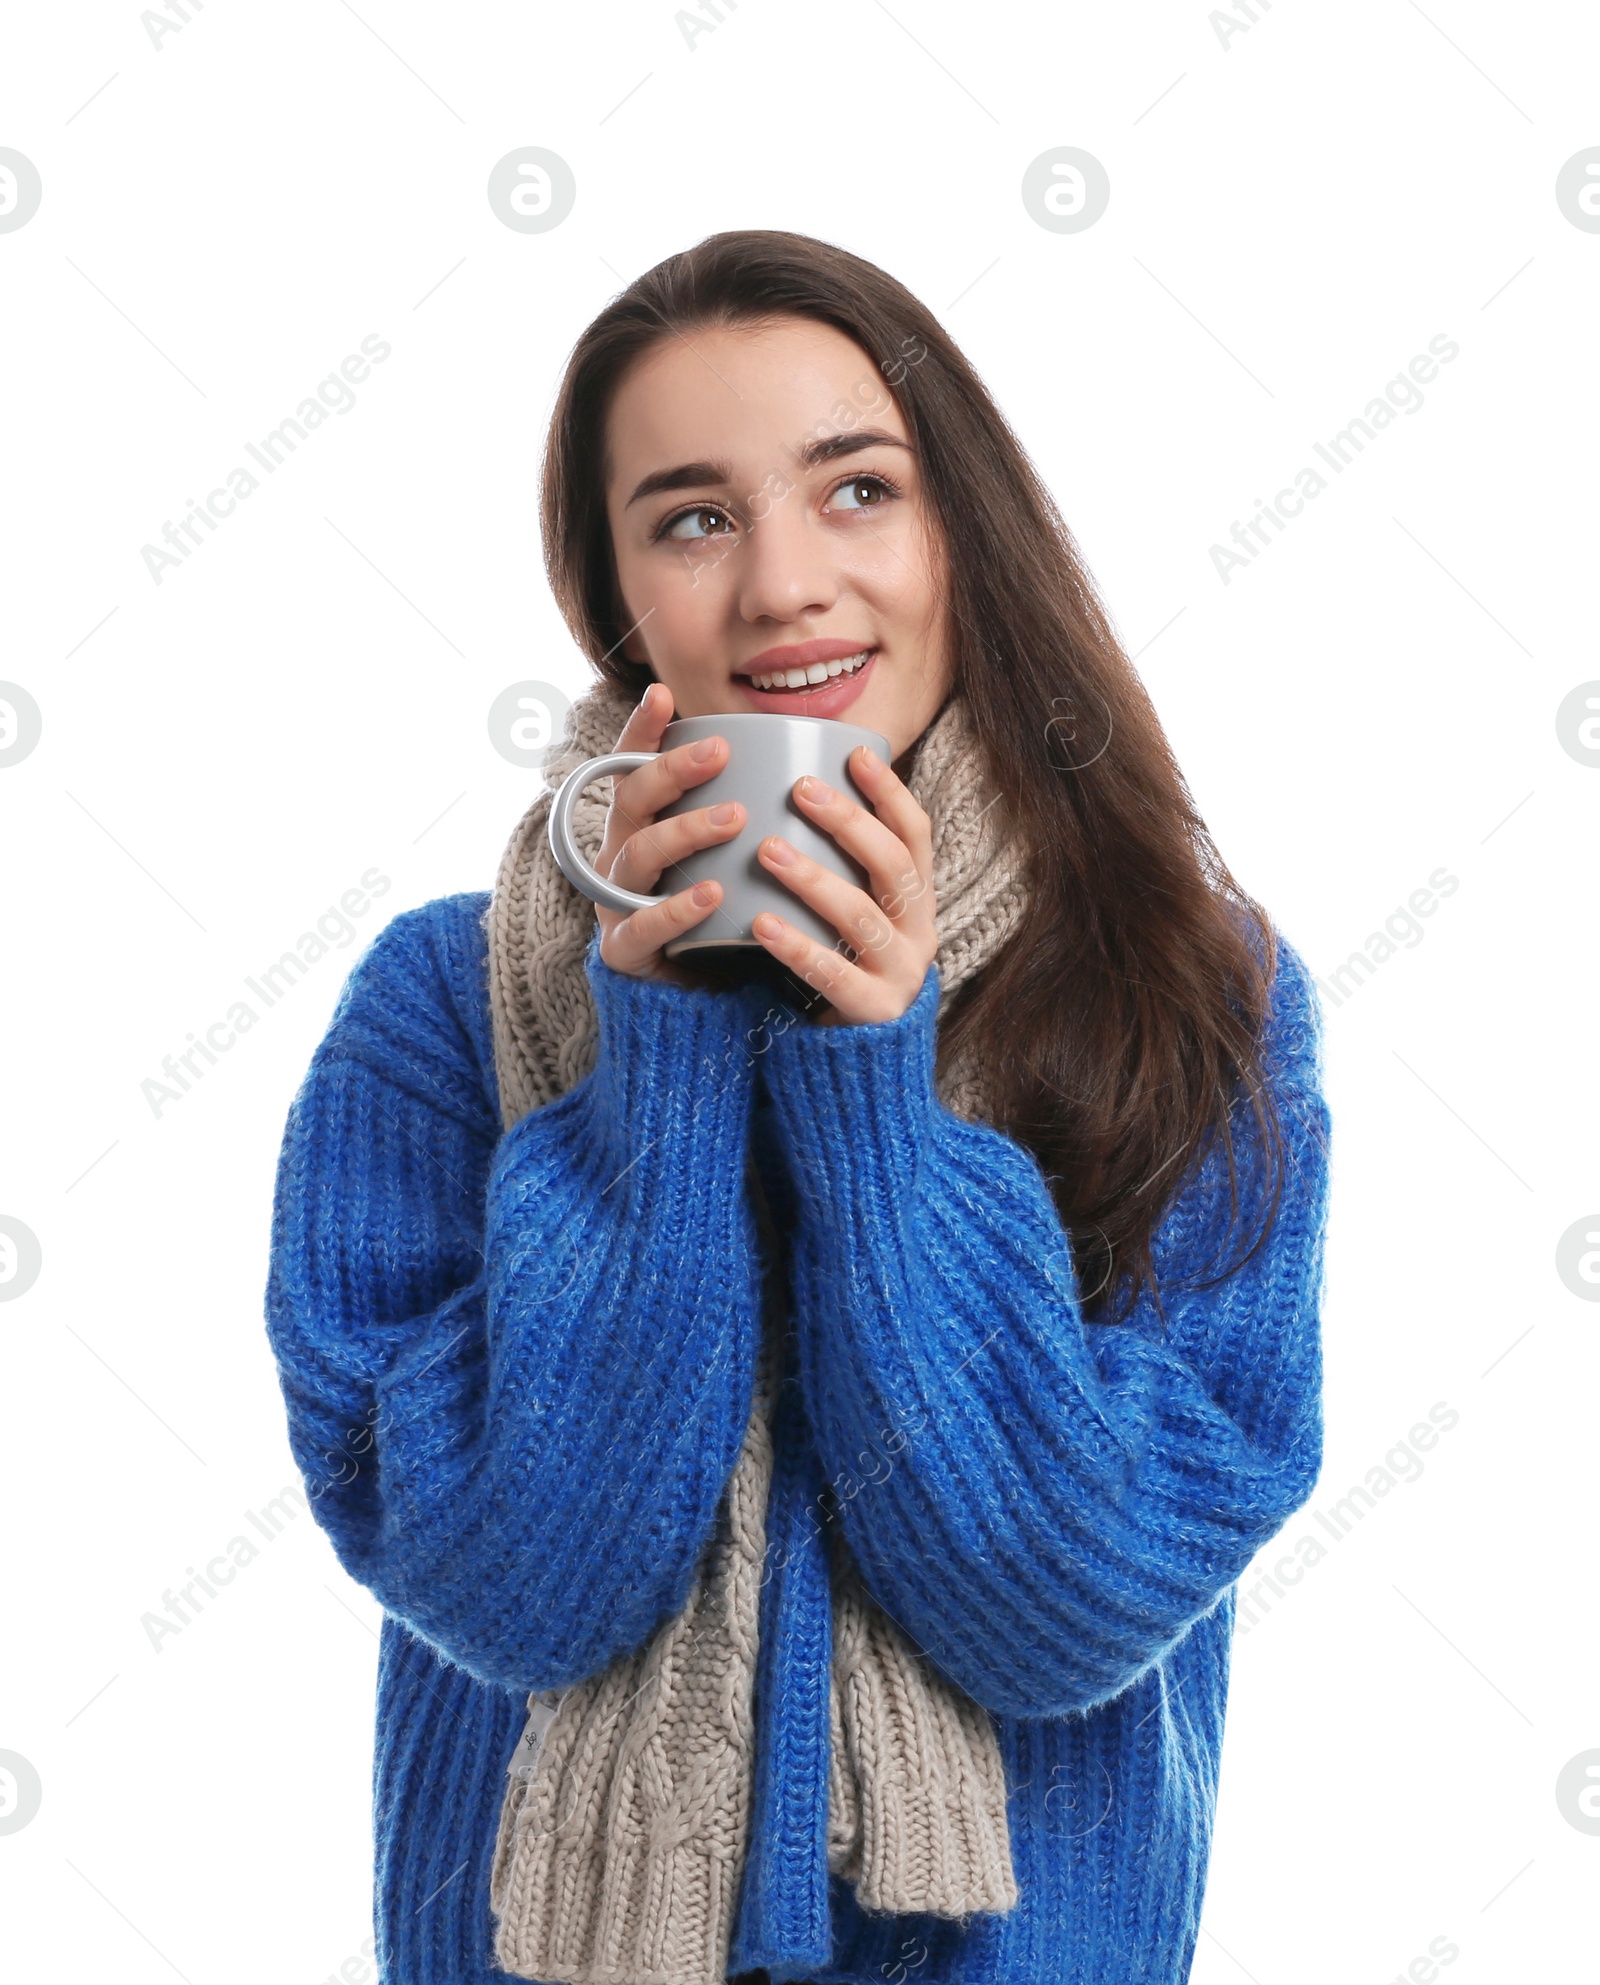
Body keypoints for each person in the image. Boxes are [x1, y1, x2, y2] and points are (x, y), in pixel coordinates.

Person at [264, 229, 1333, 1985]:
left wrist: (872, 1100)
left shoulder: (1197, 995)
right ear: (616, 601)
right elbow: (523, 1583)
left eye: (858, 491)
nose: (782, 588)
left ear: (960, 534)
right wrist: (659, 1066)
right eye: (692, 518)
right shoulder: (440, 1009)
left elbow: (1064, 1598)